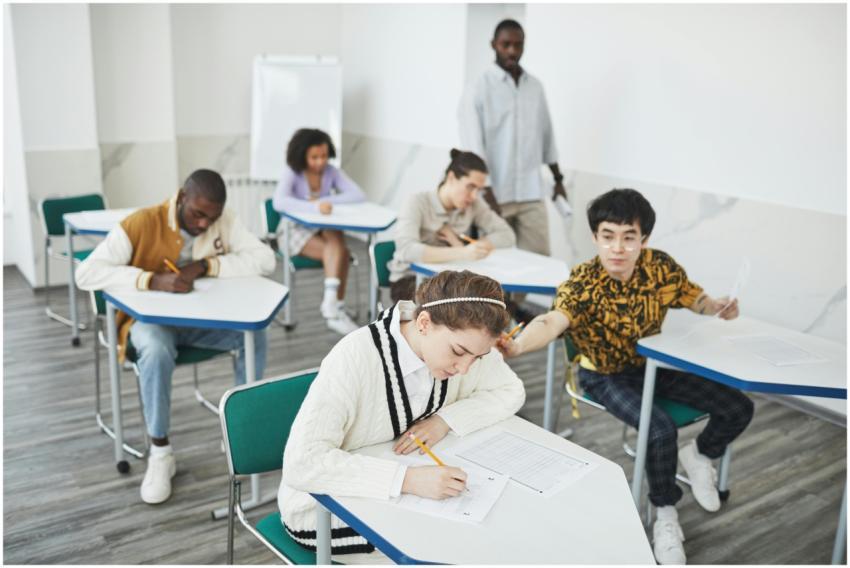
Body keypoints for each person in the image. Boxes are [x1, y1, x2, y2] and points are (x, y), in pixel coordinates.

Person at [497, 188, 754, 565]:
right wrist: (519, 346)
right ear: (595, 237)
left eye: (628, 237)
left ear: (643, 240)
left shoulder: (660, 267)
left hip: (651, 367)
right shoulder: (582, 281)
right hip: (603, 377)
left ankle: (700, 454)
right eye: (608, 236)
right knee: (659, 429)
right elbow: (552, 321)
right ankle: (665, 513)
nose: (617, 248)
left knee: (738, 406)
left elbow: (693, 298)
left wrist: (716, 306)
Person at [278, 270, 526, 563]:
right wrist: (407, 479)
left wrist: (444, 421)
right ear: (424, 323)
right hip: (320, 508)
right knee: (454, 546)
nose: (464, 369)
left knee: (491, 528)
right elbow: (302, 462)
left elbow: (511, 390)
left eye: (478, 358)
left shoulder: (467, 343)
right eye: (458, 352)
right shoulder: (355, 355)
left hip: (397, 489)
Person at [76, 169, 276, 505]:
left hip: (201, 320)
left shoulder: (224, 220)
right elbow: (86, 273)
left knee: (253, 334)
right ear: (182, 197)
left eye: (211, 217)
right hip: (149, 324)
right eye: (197, 214)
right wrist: (150, 280)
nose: (203, 224)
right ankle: (160, 452)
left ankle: (240, 433)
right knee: (155, 349)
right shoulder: (141, 223)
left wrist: (206, 266)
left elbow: (265, 260)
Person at [459, 18, 566, 321]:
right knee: (495, 261)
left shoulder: (535, 87)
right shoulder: (478, 88)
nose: (512, 51)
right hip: (496, 193)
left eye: (518, 45)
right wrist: (486, 191)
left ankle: (510, 307)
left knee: (539, 258)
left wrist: (557, 178)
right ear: (494, 45)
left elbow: (547, 134)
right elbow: (473, 146)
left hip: (531, 189)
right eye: (506, 44)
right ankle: (492, 315)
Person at [387, 149, 515, 303]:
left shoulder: (474, 204)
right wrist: (462, 251)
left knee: (494, 303)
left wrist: (475, 247)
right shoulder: (417, 202)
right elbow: (406, 250)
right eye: (470, 187)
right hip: (411, 280)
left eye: (479, 190)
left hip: (449, 281)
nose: (474, 196)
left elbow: (507, 235)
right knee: (469, 307)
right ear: (451, 178)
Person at [272, 128, 366, 335]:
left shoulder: (331, 171)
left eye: (324, 155)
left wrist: (324, 200)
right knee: (340, 253)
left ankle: (333, 306)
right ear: (302, 155)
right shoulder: (292, 172)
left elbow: (358, 194)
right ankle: (334, 309)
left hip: (320, 227)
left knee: (336, 237)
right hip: (292, 230)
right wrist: (314, 206)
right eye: (314, 157)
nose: (320, 161)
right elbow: (279, 202)